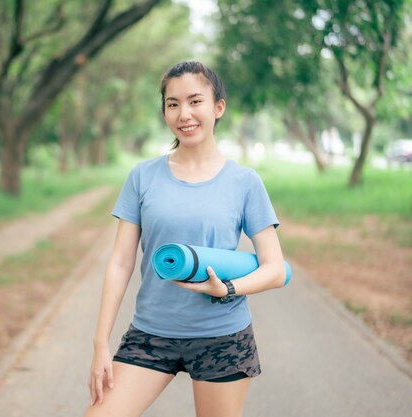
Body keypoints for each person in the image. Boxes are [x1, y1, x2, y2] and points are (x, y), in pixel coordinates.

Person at [84, 61, 287, 417]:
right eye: (173, 104)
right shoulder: (142, 176)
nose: (184, 114)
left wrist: (228, 289)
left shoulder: (245, 182)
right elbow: (120, 262)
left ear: (218, 107)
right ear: (164, 111)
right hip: (150, 334)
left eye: (195, 101)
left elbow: (273, 269)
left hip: (222, 337)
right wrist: (101, 343)